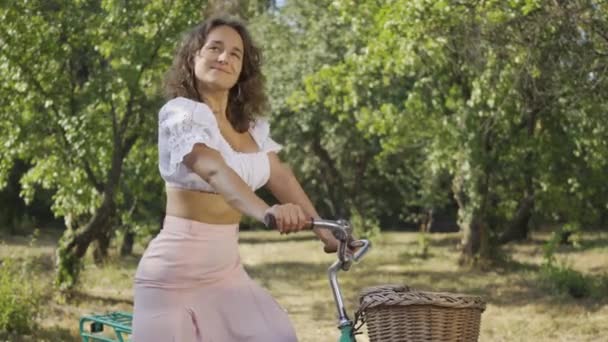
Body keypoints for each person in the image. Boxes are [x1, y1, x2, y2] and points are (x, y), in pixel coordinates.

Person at [132, 15, 344, 342]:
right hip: (174, 276)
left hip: (225, 274)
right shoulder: (180, 113)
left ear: (242, 69)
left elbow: (281, 176)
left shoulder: (251, 127)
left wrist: (324, 230)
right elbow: (215, 170)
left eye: (235, 54)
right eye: (215, 48)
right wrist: (266, 212)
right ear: (193, 57)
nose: (224, 58)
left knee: (277, 336)